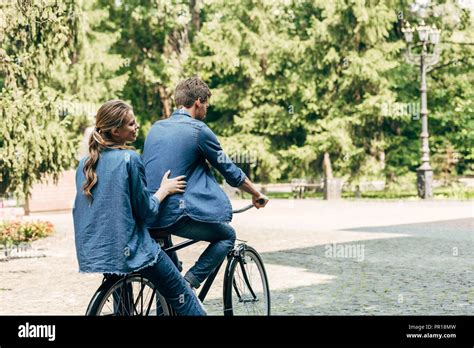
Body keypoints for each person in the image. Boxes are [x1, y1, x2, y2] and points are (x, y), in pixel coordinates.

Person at [72, 99, 206, 316]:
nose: (137, 127)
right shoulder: (130, 159)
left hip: (101, 250)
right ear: (116, 131)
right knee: (183, 296)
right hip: (131, 248)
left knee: (123, 306)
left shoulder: (84, 164)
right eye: (131, 124)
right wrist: (163, 190)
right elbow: (147, 211)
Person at [143, 77, 269, 290]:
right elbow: (230, 171)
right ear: (198, 103)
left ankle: (170, 304)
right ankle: (189, 284)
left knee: (168, 272)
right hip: (176, 215)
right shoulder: (198, 131)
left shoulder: (155, 128)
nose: (207, 111)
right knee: (227, 235)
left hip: (150, 213)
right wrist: (256, 193)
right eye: (207, 106)